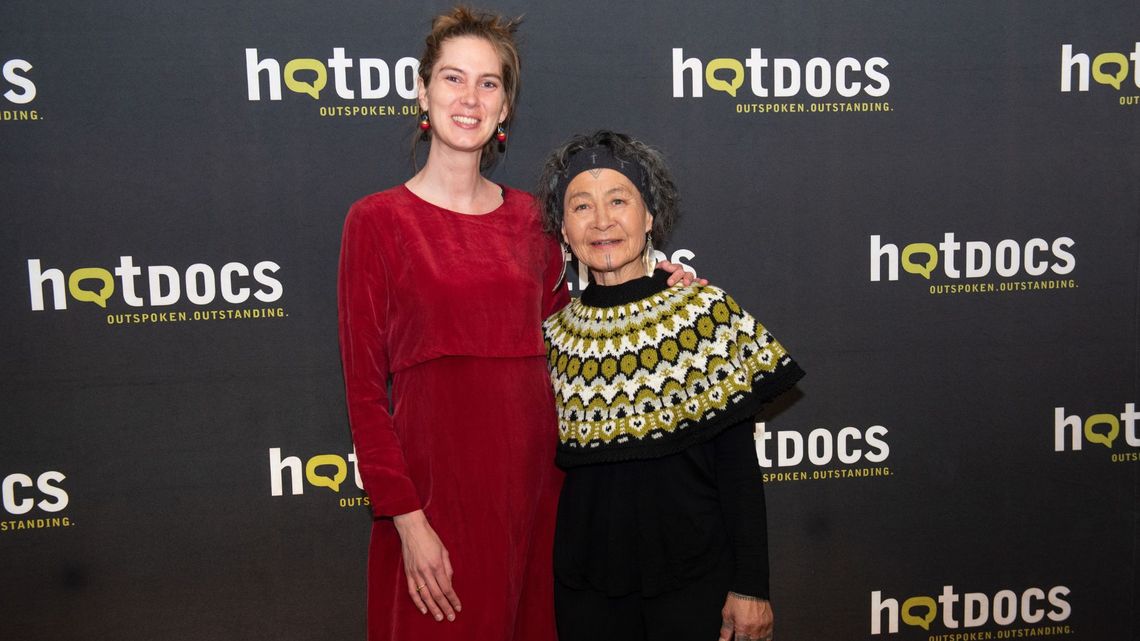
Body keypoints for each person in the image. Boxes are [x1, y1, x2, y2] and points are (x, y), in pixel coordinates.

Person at [337, 10, 695, 641]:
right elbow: (366, 395)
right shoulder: (376, 221)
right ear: (423, 92)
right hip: (435, 502)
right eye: (453, 79)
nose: (469, 99)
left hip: (538, 495)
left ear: (505, 108)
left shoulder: (534, 221)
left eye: (489, 84)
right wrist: (408, 522)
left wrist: (656, 286)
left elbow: (581, 333)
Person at [536, 130, 805, 641]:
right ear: (565, 231)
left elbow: (738, 467)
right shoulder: (550, 337)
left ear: (649, 216)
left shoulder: (702, 314)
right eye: (581, 206)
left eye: (619, 200)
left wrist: (752, 586)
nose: (602, 221)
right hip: (586, 593)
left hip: (694, 585)